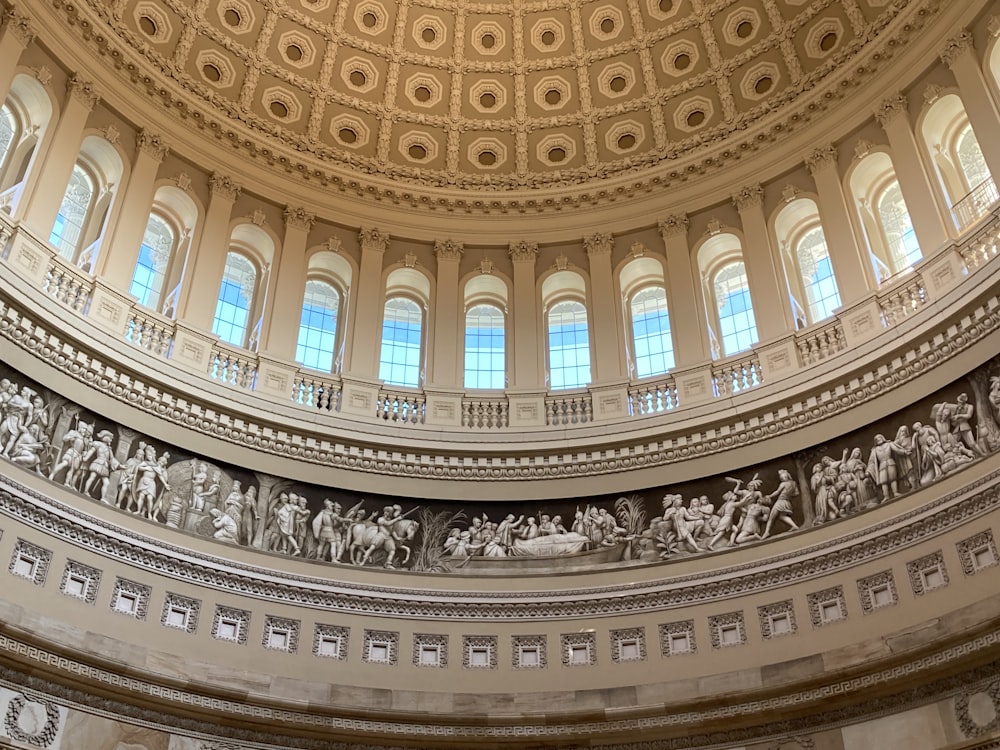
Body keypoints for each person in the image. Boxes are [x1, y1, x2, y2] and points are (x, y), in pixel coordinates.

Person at [866, 433, 910, 502]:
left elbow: (897, 450)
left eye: (880, 438)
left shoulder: (889, 444)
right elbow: (871, 461)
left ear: (882, 438)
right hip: (882, 465)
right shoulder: (874, 450)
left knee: (893, 479)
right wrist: (868, 470)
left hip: (890, 462)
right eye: (877, 439)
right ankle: (886, 496)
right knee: (883, 481)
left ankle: (895, 493)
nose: (878, 440)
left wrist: (904, 452)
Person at [82, 429, 119, 502]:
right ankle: (85, 491)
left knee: (106, 483)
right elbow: (91, 451)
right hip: (98, 462)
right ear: (105, 437)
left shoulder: (109, 449)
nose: (111, 441)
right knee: (92, 477)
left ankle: (103, 498)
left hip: (104, 466)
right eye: (110, 438)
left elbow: (112, 459)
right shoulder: (97, 444)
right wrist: (85, 458)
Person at [762, 469, 799, 538]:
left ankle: (767, 532)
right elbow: (796, 493)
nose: (782, 479)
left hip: (780, 501)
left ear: (787, 476)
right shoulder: (794, 483)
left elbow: (777, 492)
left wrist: (769, 496)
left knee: (771, 517)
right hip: (787, 502)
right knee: (782, 516)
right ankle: (794, 526)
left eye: (783, 477)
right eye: (781, 478)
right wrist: (788, 494)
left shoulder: (783, 484)